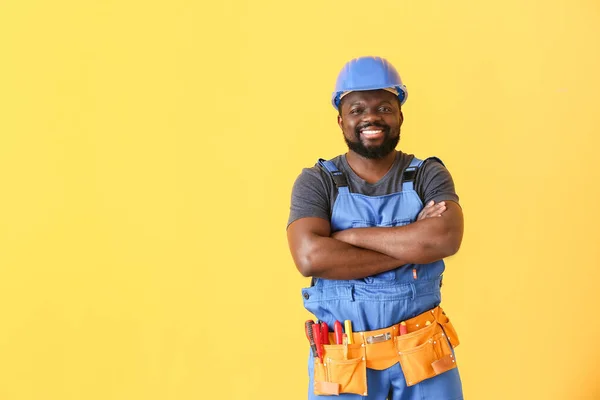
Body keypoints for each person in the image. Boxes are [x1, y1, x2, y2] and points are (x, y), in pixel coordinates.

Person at [286, 56, 465, 400]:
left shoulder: (428, 174)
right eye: (357, 109)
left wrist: (350, 238)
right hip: (343, 360)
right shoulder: (316, 182)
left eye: (384, 107)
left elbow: (444, 238)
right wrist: (411, 245)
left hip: (424, 353)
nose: (371, 117)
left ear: (400, 116)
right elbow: (310, 257)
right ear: (341, 120)